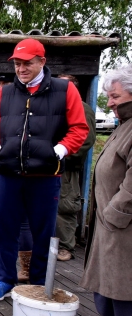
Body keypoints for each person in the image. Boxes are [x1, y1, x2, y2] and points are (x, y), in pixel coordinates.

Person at [0, 38, 89, 300]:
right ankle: (4, 280)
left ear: (42, 61)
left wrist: (59, 151)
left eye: (27, 63)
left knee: (43, 231)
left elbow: (79, 129)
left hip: (45, 177)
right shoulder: (5, 93)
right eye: (17, 63)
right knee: (4, 230)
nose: (21, 68)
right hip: (8, 175)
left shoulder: (65, 90)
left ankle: (39, 283)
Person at [79, 64, 132, 316]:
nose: (110, 103)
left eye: (115, 96)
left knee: (123, 277)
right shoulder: (124, 124)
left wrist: (116, 211)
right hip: (107, 217)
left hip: (122, 218)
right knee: (106, 274)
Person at [55, 74, 96, 261]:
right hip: (52, 166)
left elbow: (86, 140)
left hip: (67, 166)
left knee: (66, 206)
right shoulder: (59, 107)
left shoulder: (83, 108)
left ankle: (66, 247)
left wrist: (64, 156)